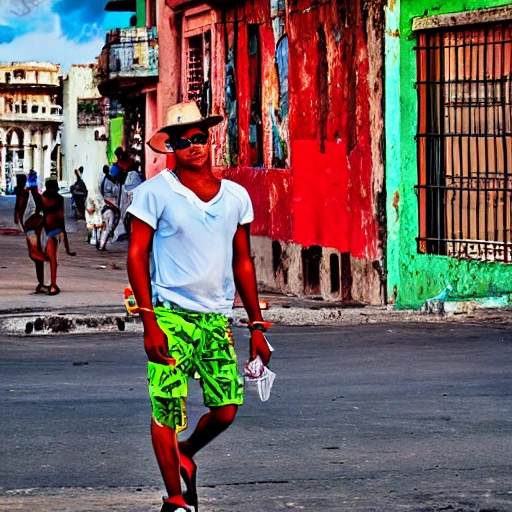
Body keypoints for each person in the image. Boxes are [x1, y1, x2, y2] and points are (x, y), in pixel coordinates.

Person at [127, 101, 272, 512]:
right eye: (182, 141)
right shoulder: (153, 193)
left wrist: (256, 325)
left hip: (216, 319)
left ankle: (184, 456)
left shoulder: (236, 197)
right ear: (170, 147)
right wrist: (148, 323)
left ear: (209, 139)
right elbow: (136, 256)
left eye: (198, 137)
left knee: (226, 410)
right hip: (169, 316)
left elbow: (242, 260)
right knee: (167, 410)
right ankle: (175, 499)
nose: (192, 145)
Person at [31, 179, 76, 295]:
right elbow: (61, 216)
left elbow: (39, 212)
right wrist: (63, 233)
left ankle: (49, 284)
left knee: (48, 258)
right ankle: (50, 284)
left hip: (47, 229)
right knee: (52, 259)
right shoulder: (59, 198)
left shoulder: (43, 198)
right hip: (55, 229)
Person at [98, 165, 121, 250]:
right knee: (109, 226)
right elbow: (116, 193)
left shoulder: (101, 180)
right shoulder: (112, 181)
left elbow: (100, 190)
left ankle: (101, 242)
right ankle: (102, 244)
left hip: (104, 204)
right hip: (111, 204)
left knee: (104, 225)